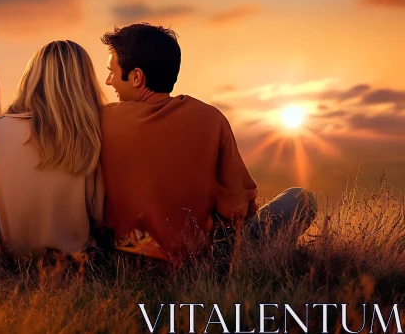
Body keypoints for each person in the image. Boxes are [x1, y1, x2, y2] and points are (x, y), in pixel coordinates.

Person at [98, 23, 316, 264]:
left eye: (112, 72)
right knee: (301, 199)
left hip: (122, 260)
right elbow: (236, 209)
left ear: (137, 77)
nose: (108, 81)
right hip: (203, 262)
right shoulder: (211, 119)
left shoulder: (104, 119)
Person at [0, 40, 106, 257]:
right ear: (84, 80)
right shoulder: (89, 131)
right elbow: (97, 213)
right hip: (73, 261)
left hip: (12, 259)